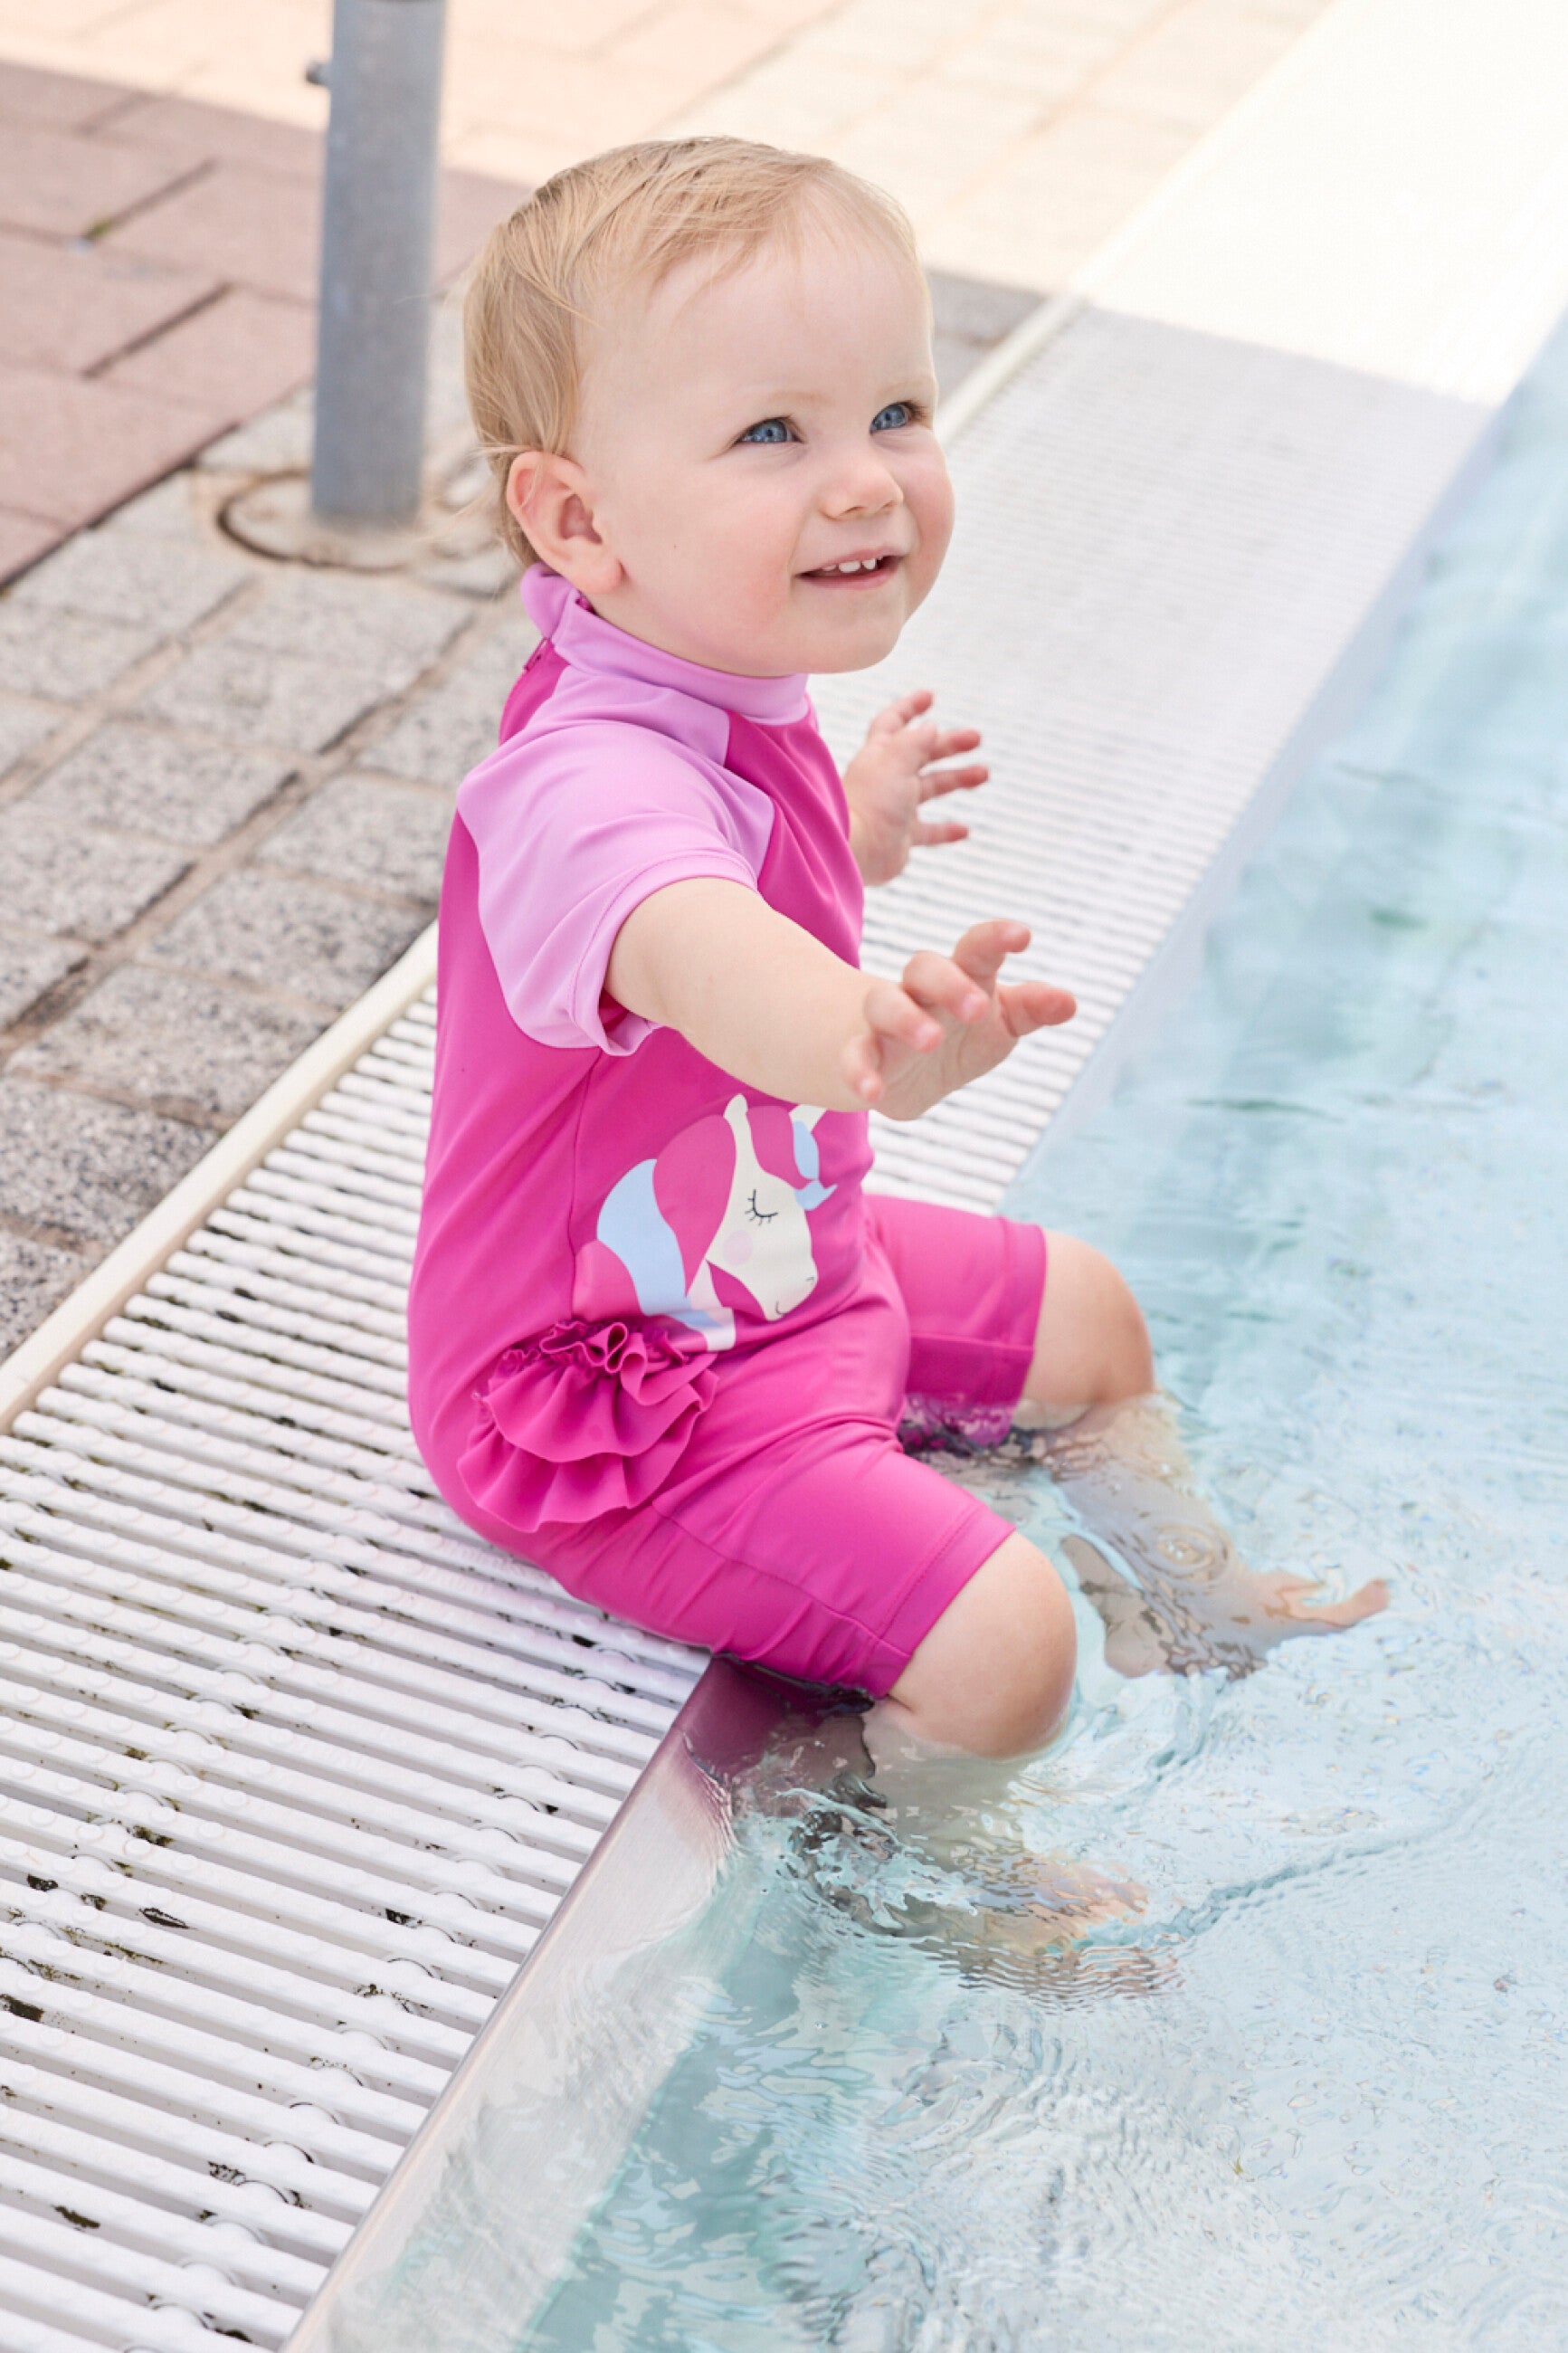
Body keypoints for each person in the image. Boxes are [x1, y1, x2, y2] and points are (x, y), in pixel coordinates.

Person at [407, 138, 1386, 1768]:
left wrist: (847, 832)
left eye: (896, 410)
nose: (865, 480)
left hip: (785, 1264)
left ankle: (1192, 1603)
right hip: (619, 1392)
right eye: (772, 433)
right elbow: (695, 943)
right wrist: (864, 1032)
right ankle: (940, 1856)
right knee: (1004, 1644)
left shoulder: (712, 672)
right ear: (578, 519)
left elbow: (732, 878)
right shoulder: (581, 787)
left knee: (1089, 1317)